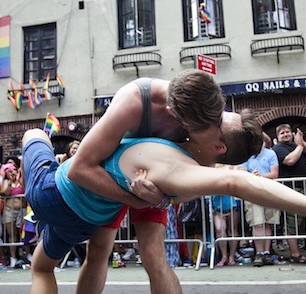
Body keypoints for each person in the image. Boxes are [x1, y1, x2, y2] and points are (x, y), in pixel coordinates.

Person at [21, 126, 306, 293]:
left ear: (217, 146)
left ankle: (39, 134)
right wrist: (155, 199)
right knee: (89, 255)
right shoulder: (189, 151)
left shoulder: (183, 159)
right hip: (94, 209)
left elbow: (240, 183)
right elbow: (234, 179)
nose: (212, 115)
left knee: (33, 135)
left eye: (217, 120)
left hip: (65, 192)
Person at [70, 69, 261, 294]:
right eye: (216, 121)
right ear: (177, 115)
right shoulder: (135, 101)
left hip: (152, 185)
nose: (213, 124)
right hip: (111, 178)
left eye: (218, 120)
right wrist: (134, 199)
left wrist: (162, 200)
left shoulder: (202, 114)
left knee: (154, 256)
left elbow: (192, 182)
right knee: (98, 252)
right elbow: (79, 168)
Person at [271, 124, 306, 264]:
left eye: (288, 132)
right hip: (291, 189)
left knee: (301, 223)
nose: (285, 134)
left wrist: (301, 143)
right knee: (293, 223)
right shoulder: (278, 148)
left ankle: (300, 252)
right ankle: (295, 254)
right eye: (282, 133)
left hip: (305, 189)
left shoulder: (297, 145)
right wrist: (300, 146)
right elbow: (290, 161)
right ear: (277, 137)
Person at [242, 133, 280, 267]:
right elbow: (241, 171)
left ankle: (266, 252)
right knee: (257, 223)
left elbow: (274, 173)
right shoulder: (246, 155)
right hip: (252, 193)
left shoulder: (270, 154)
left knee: (267, 223)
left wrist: (261, 177)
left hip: (268, 191)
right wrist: (251, 176)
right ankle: (258, 253)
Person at [209, 165, 242, 267]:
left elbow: (234, 177)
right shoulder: (212, 164)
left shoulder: (233, 164)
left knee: (232, 229)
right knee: (219, 229)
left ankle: (231, 255)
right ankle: (224, 256)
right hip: (217, 202)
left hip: (233, 201)